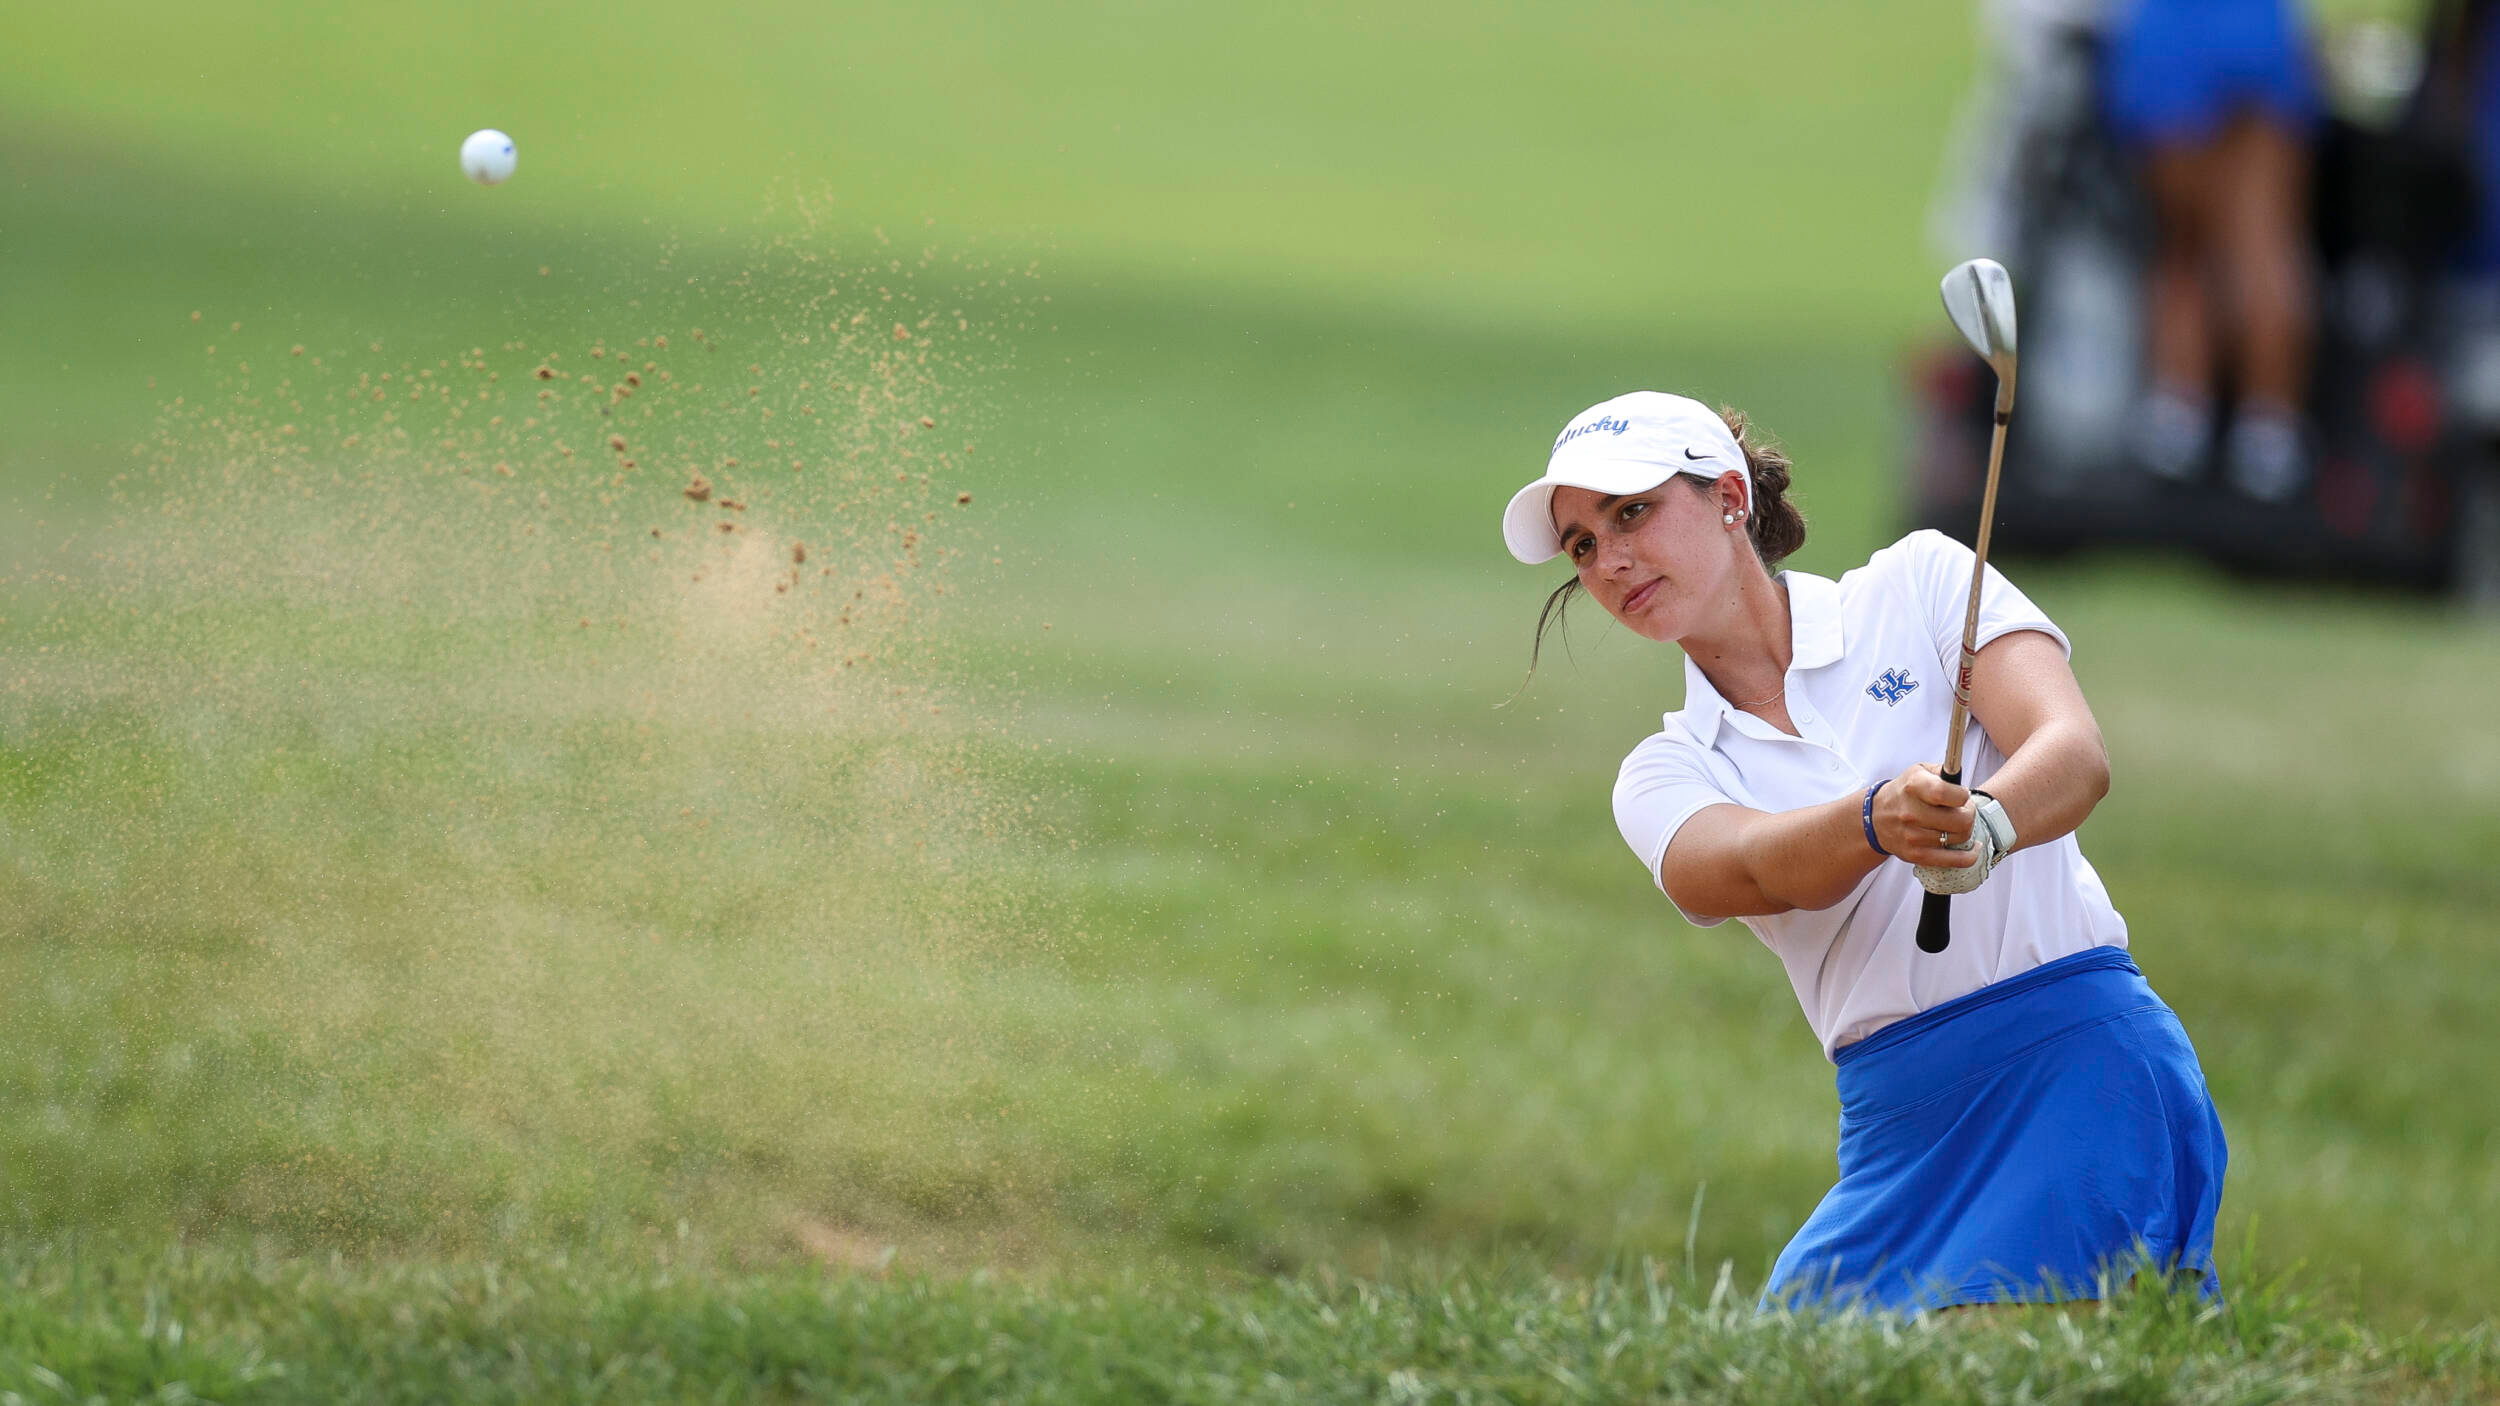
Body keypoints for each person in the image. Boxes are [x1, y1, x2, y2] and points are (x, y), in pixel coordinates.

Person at [1503, 391, 2228, 1312]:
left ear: (1730, 496)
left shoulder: (1919, 584)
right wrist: (1879, 821)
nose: (1610, 560)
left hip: (2080, 1062)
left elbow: (2073, 753)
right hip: (1900, 1119)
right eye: (1581, 546)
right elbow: (1749, 870)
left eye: (1631, 513)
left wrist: (1988, 825)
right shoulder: (1665, 769)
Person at [2103, 0, 2322, 501]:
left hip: (2173, 39)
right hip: (2258, 34)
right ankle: (2270, 427)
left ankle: (2181, 414)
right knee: (2263, 242)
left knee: (2184, 246)